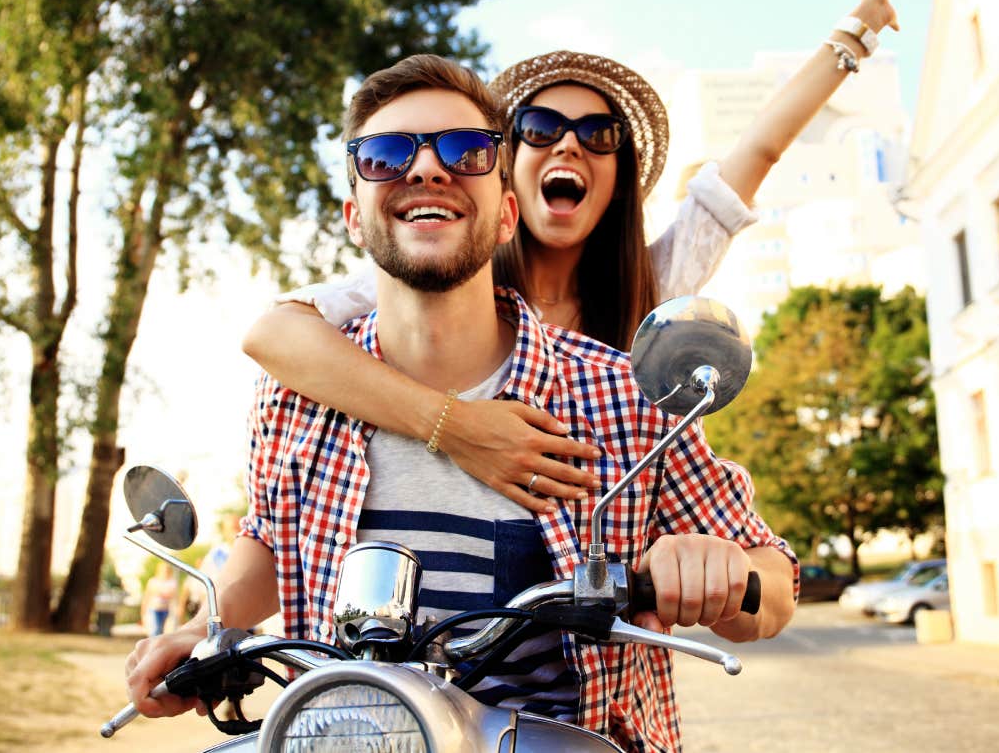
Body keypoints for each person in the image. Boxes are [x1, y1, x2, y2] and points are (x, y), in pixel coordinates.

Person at [126, 54, 797, 753]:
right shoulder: (298, 391)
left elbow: (775, 580)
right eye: (386, 155)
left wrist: (722, 567)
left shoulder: (622, 391)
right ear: (353, 217)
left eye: (466, 151)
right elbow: (272, 536)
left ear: (507, 212)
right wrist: (200, 631)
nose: (425, 169)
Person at [240, 0, 900, 514]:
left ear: (618, 176)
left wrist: (855, 34)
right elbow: (274, 334)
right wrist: (457, 426)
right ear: (503, 172)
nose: (568, 146)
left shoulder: (655, 287)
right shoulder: (445, 275)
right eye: (540, 128)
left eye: (598, 133)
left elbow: (754, 154)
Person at [141, 565, 175, 637]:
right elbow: (147, 596)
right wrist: (143, 609)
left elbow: (171, 594)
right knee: (156, 629)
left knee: (161, 629)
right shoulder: (153, 581)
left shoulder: (172, 582)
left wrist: (158, 592)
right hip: (154, 609)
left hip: (165, 609)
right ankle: (153, 644)